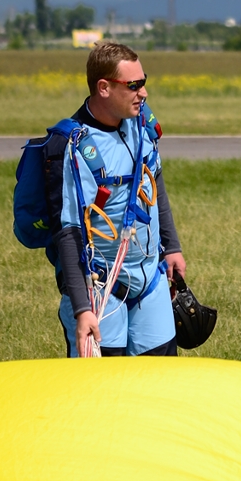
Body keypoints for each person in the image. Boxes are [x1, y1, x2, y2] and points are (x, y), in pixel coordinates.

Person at [47, 42, 186, 357]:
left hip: (150, 278)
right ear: (104, 87)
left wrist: (172, 247)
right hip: (100, 288)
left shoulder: (141, 127)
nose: (144, 92)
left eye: (144, 81)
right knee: (103, 393)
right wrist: (83, 309)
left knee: (160, 382)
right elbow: (67, 232)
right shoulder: (75, 147)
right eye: (133, 85)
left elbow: (155, 186)